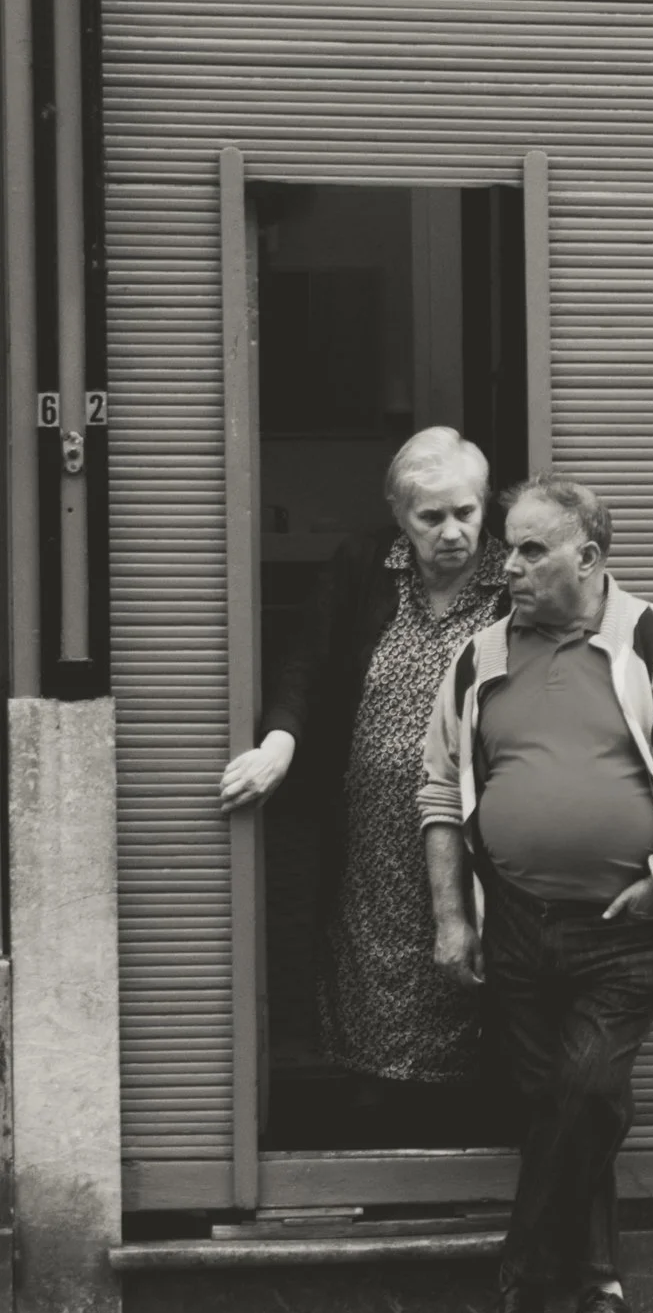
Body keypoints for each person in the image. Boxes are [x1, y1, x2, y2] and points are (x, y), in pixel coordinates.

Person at [419, 473, 653, 1313]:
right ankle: (600, 1294)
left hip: (623, 924)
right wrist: (455, 919)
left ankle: (523, 1277)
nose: (510, 568)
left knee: (587, 1090)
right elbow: (439, 795)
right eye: (509, 549)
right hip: (516, 922)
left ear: (588, 558)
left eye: (531, 550)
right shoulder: (479, 658)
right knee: (557, 1110)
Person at [221, 427, 510, 1118]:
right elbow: (306, 662)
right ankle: (375, 1121)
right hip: (371, 832)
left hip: (476, 824)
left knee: (470, 958)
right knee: (371, 971)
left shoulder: (513, 582)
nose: (450, 532)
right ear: (398, 514)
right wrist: (279, 743)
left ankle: (468, 1131)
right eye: (429, 517)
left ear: (485, 505)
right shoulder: (363, 565)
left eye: (465, 513)